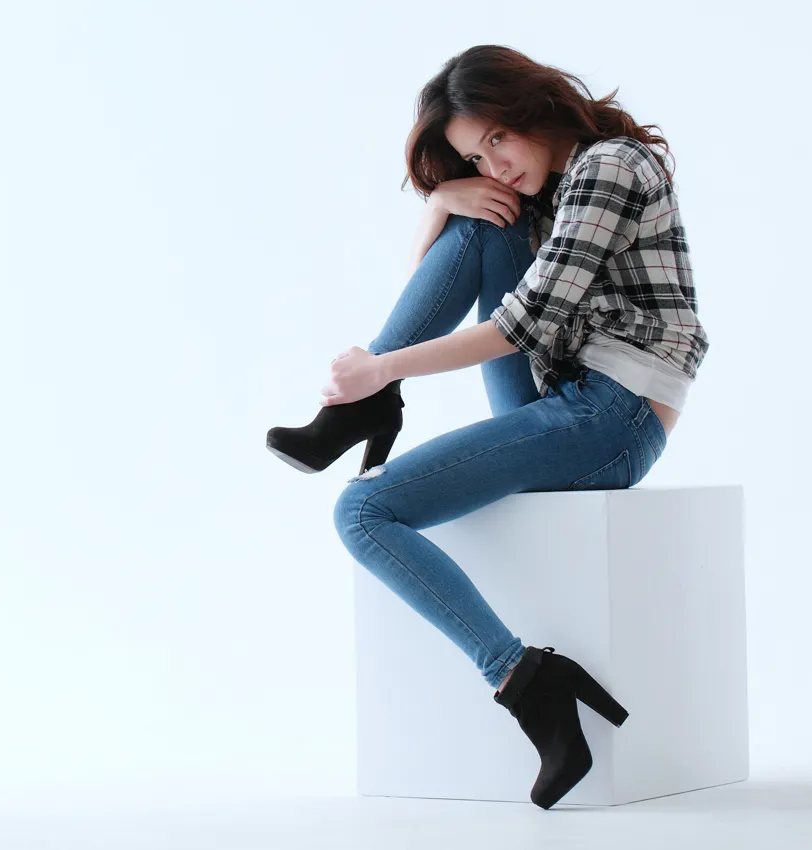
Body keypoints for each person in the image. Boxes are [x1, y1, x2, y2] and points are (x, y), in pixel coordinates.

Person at [264, 45, 709, 809]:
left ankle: (521, 678)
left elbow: (520, 323)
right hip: (562, 400)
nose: (495, 164)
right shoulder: (547, 189)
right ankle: (362, 408)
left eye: (498, 140)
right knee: (483, 227)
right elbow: (443, 280)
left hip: (617, 418)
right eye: (475, 154)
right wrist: (442, 203)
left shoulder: (611, 166)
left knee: (363, 510)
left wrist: (385, 371)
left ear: (533, 108)